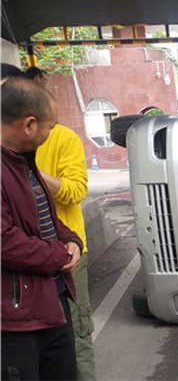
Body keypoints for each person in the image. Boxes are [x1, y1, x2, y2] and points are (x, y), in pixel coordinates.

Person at [1, 77, 83, 380]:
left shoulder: (24, 160)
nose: (51, 133)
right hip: (15, 316)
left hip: (51, 297)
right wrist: (59, 254)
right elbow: (5, 241)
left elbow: (42, 215)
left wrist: (70, 239)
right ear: (29, 125)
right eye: (50, 126)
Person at [36, 118, 96, 380]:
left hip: (67, 254)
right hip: (21, 260)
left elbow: (75, 191)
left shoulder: (62, 138)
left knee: (75, 333)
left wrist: (29, 171)